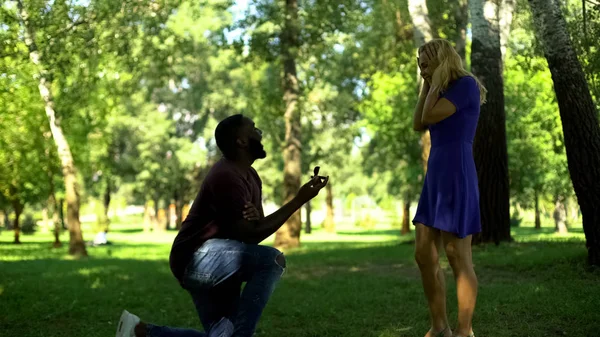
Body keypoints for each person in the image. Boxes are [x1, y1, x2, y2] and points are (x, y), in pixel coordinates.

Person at [115, 114, 329, 337]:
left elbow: (256, 230)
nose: (260, 133)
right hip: (196, 258)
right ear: (242, 141)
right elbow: (253, 231)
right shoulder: (225, 176)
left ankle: (140, 332)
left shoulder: (252, 177)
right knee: (272, 260)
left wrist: (256, 220)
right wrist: (298, 200)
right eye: (254, 129)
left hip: (222, 257)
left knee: (223, 335)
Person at [412, 39, 487, 337]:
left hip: (457, 170)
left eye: (427, 61)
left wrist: (433, 82)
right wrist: (427, 83)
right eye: (419, 62)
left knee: (457, 254)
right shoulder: (436, 89)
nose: (422, 67)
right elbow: (419, 122)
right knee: (422, 253)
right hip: (436, 175)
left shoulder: (466, 85)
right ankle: (439, 326)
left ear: (443, 58)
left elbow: (430, 116)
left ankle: (464, 330)